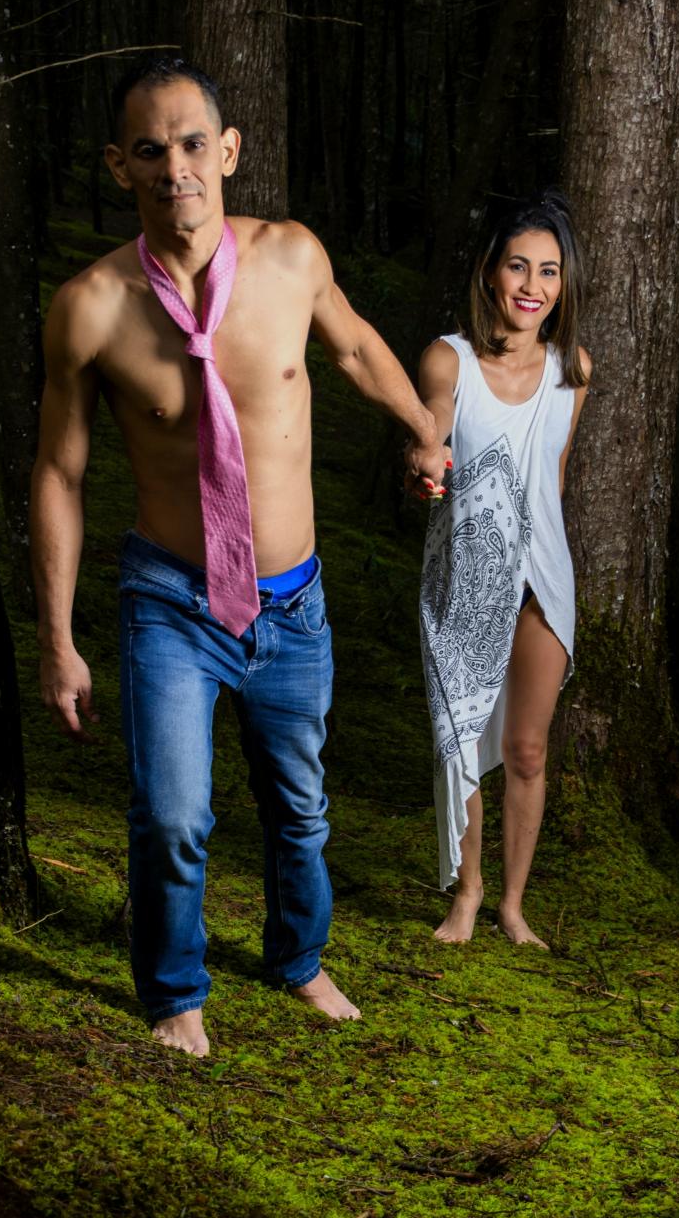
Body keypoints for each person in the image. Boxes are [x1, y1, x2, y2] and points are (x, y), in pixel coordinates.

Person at [32, 57, 444, 1055]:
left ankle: (299, 960)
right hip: (170, 599)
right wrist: (58, 639)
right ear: (119, 166)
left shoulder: (291, 258)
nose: (173, 166)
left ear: (226, 151)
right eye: (149, 150)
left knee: (299, 809)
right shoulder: (90, 306)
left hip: (293, 601)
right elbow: (58, 474)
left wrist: (423, 431)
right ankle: (175, 994)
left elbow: (354, 349)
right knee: (172, 815)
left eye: (190, 143)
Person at [418, 189, 591, 948]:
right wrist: (426, 458)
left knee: (525, 749)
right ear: (491, 270)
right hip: (464, 572)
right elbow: (432, 428)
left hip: (542, 578)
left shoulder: (572, 370)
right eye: (518, 266)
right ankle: (468, 892)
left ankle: (512, 907)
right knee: (460, 735)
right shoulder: (448, 357)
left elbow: (554, 475)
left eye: (549, 272)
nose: (532, 285)